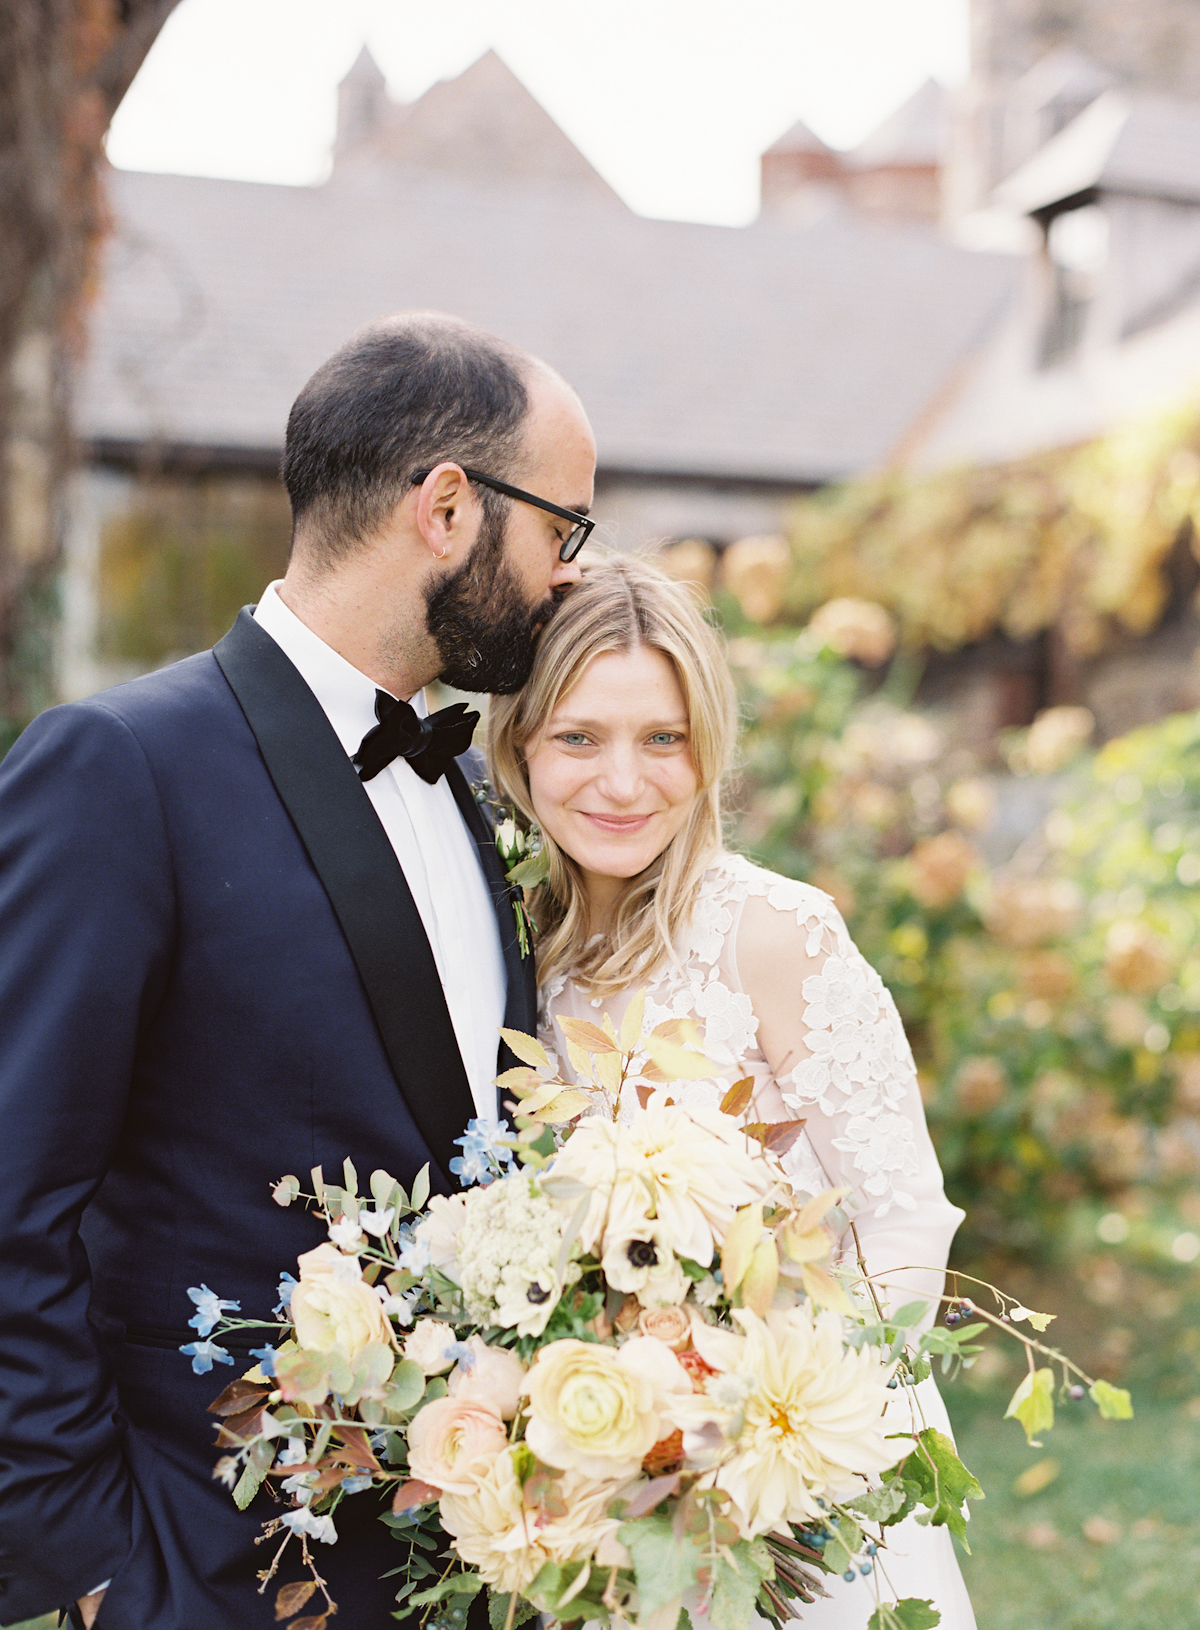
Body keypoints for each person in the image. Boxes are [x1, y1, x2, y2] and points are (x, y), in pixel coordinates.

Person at [0, 312, 595, 1629]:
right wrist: (97, 1562)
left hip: (467, 1558)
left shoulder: (479, 791)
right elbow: (10, 1189)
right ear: (448, 507)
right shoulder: (116, 769)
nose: (566, 577)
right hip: (206, 1569)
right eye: (567, 528)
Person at [488, 554, 978, 1629]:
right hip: (584, 1467)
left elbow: (901, 1214)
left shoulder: (776, 935)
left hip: (784, 1484)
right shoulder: (509, 945)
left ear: (706, 747)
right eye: (580, 737)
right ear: (518, 741)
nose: (624, 782)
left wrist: (771, 1427)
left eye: (662, 738)